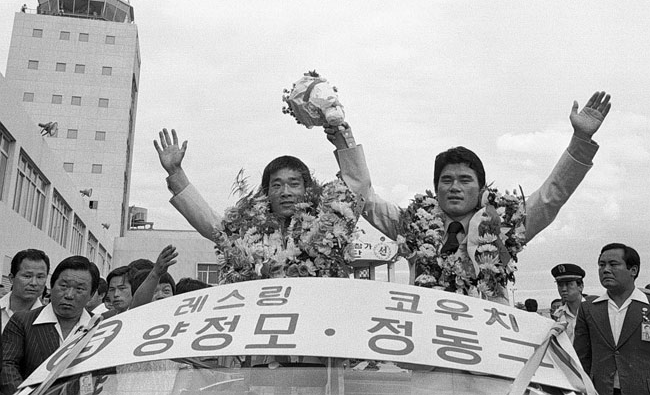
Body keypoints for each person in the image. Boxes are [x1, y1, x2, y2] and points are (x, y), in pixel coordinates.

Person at [324, 92, 611, 302]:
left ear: (482, 189)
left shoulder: (504, 226)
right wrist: (344, 142)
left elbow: (551, 197)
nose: (455, 187)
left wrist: (580, 141)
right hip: (427, 346)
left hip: (485, 348)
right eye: (446, 180)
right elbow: (366, 200)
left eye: (465, 180)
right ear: (435, 188)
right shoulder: (411, 225)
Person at [154, 128, 313, 241]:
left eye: (294, 184)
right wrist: (175, 172)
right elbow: (211, 224)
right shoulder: (246, 232)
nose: (285, 192)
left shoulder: (324, 227)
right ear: (266, 193)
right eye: (277, 185)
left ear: (307, 189)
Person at [1, 256, 99, 394]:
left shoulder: (99, 326)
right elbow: (7, 366)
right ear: (51, 286)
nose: (69, 295)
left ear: (91, 294)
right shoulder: (22, 321)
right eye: (63, 286)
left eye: (79, 289)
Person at [574, 243, 650, 395]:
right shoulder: (588, 309)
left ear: (633, 270)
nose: (605, 270)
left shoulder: (646, 305)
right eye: (601, 265)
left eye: (613, 264)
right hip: (601, 390)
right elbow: (582, 357)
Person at [0, 249, 50, 331]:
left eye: (40, 277)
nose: (34, 283)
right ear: (11, 278)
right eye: (27, 276)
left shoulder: (49, 320)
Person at [551, 263, 586, 342]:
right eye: (560, 285)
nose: (563, 289)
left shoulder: (593, 310)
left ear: (580, 286)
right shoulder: (557, 315)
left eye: (568, 284)